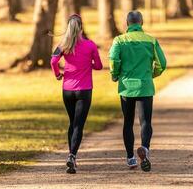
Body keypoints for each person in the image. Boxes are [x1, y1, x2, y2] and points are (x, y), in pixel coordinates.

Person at [109, 11, 167, 172]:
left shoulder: (119, 40)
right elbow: (162, 63)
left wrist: (115, 75)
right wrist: (151, 75)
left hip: (127, 88)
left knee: (128, 122)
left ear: (127, 24)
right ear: (141, 23)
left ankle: (130, 158)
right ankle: (145, 149)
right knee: (145, 122)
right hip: (145, 86)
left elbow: (114, 60)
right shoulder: (151, 40)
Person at [50, 14, 103, 174]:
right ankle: (72, 155)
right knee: (78, 126)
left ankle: (71, 155)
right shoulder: (90, 45)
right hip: (84, 90)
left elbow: (53, 61)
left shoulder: (63, 45)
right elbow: (99, 66)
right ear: (80, 27)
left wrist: (58, 75)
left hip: (67, 90)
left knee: (72, 123)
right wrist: (89, 64)